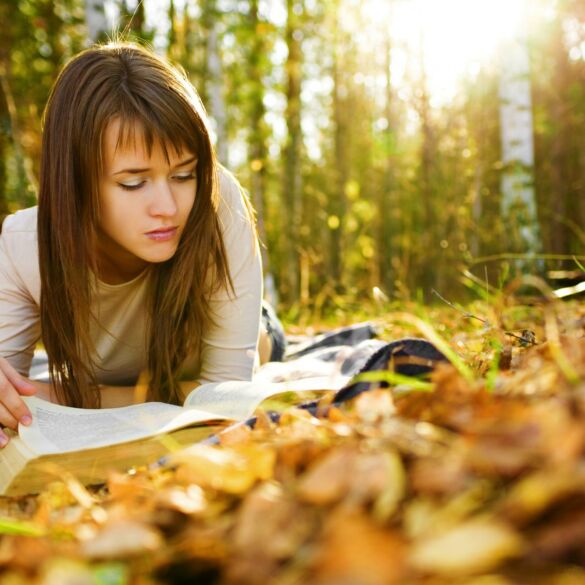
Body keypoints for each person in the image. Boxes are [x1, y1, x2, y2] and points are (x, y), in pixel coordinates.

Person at [0, 41, 270, 448]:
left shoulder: (219, 205)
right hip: (136, 377)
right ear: (75, 182)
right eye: (133, 182)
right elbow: (8, 401)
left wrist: (71, 399)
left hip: (241, 334)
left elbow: (224, 401)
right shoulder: (24, 248)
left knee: (267, 341)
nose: (168, 208)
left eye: (184, 175)